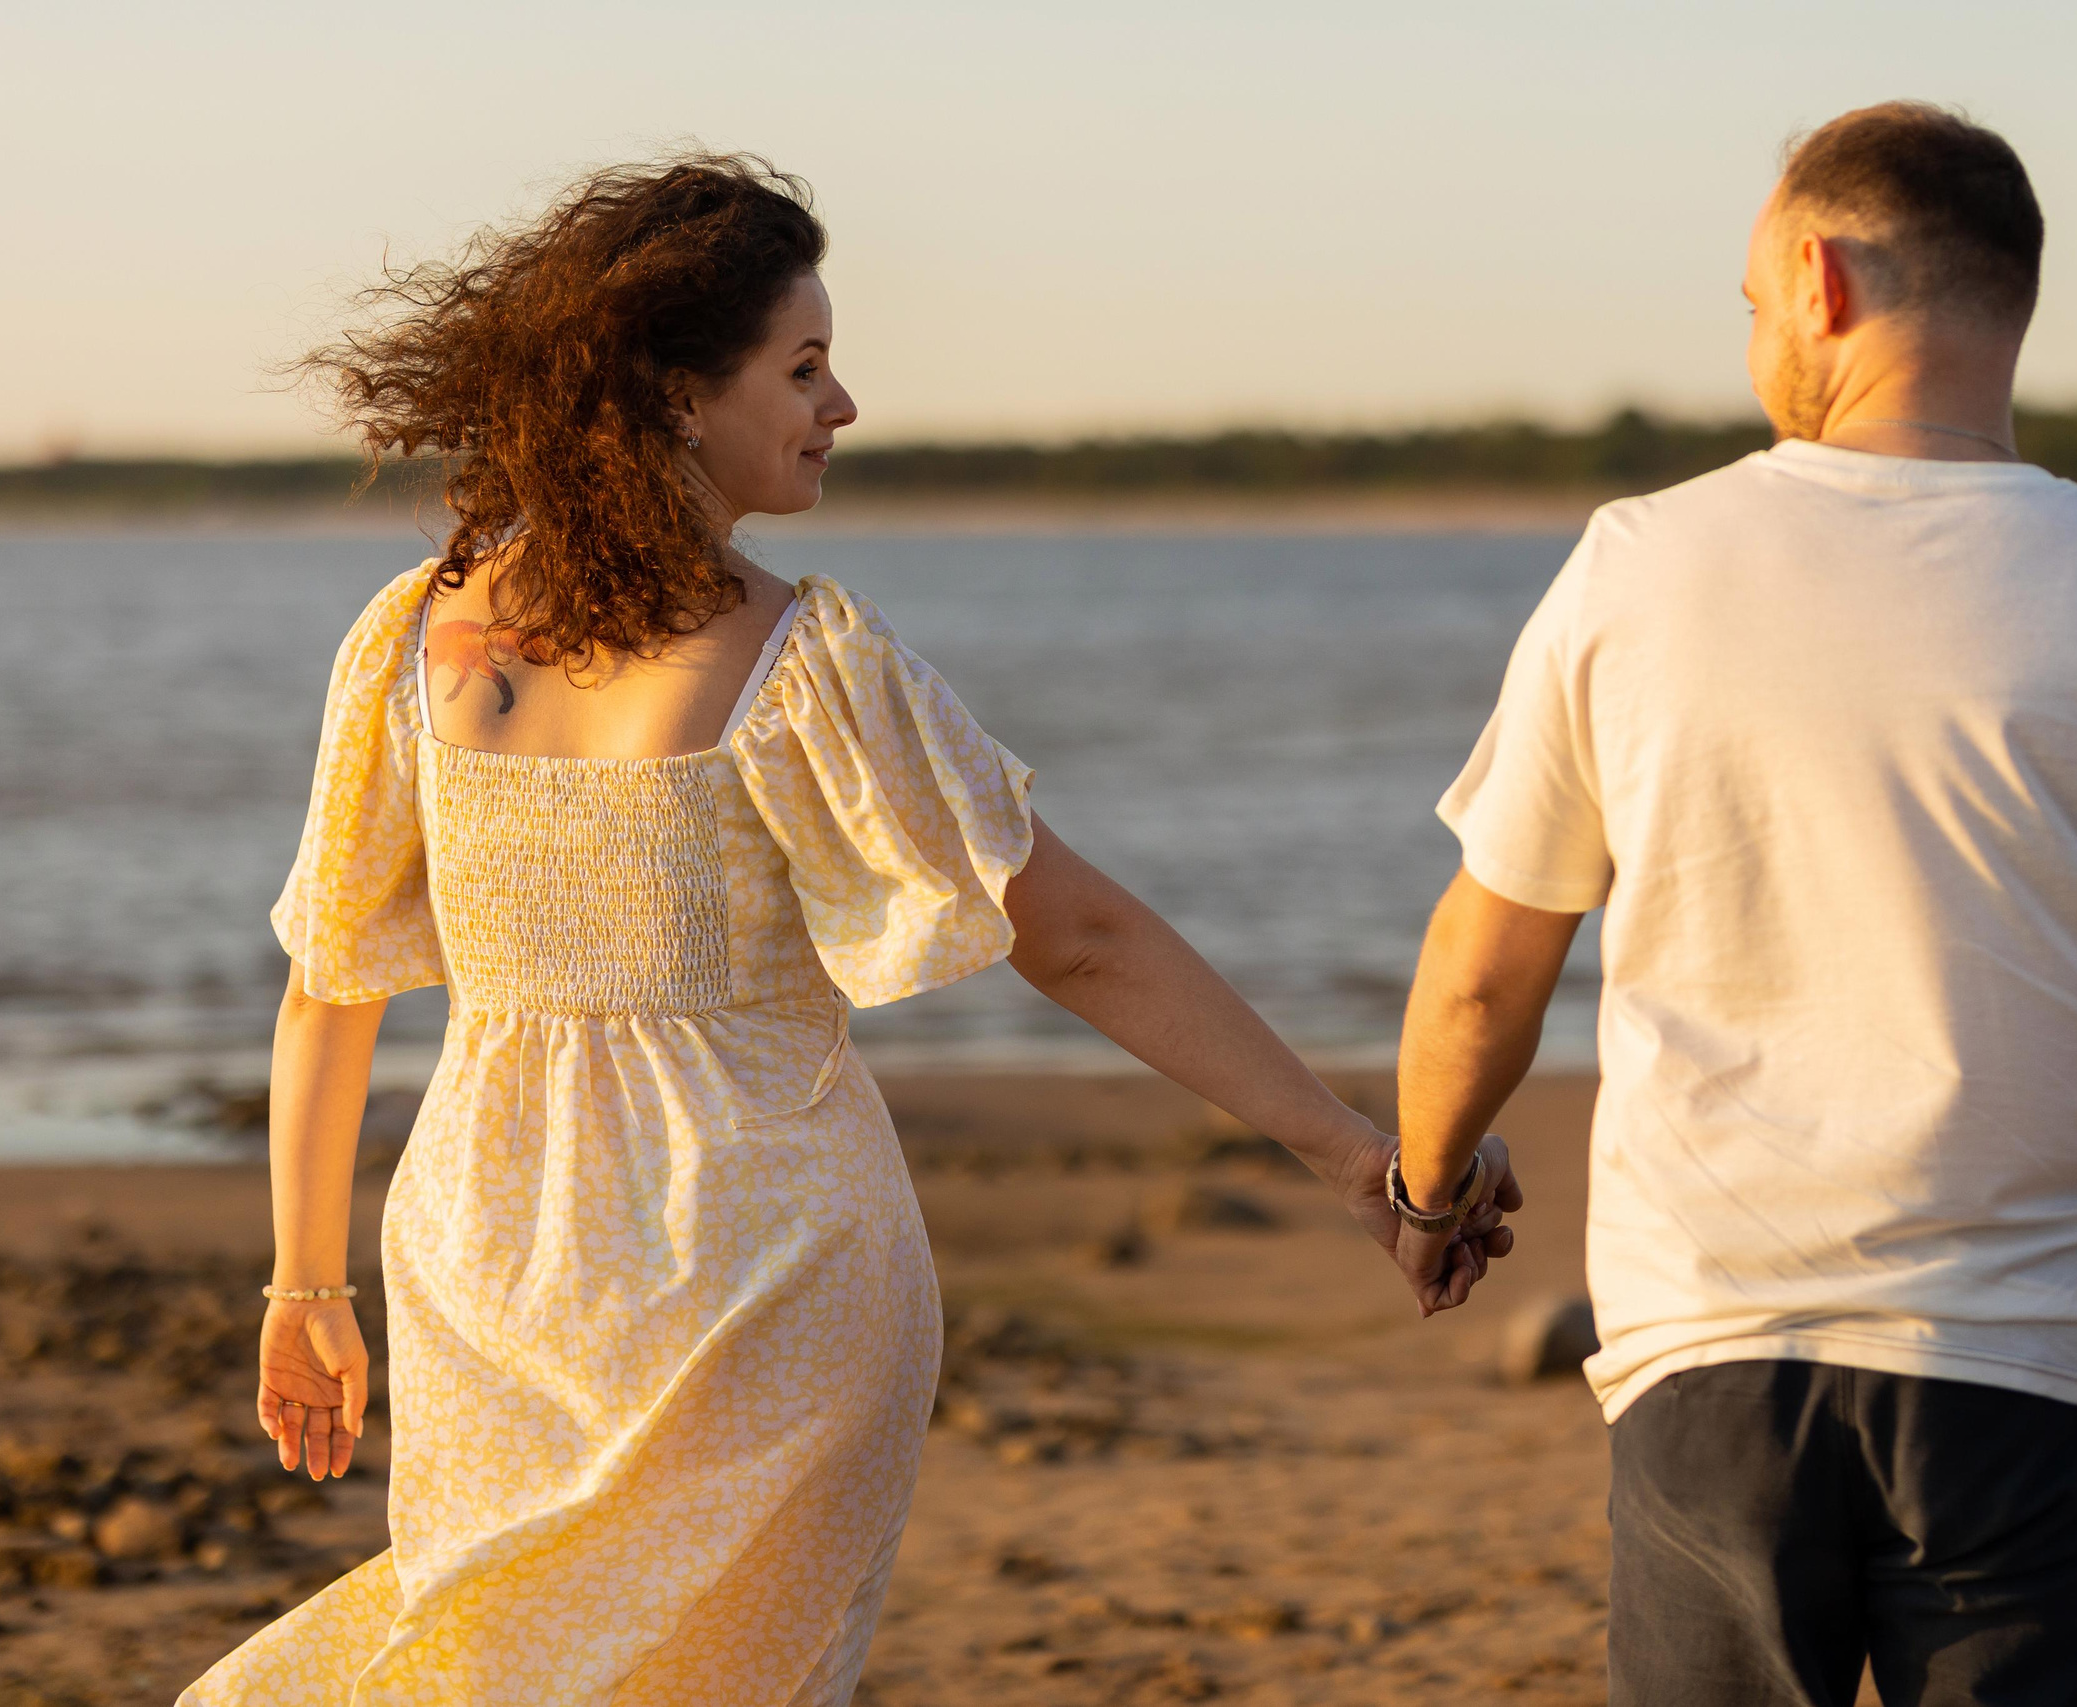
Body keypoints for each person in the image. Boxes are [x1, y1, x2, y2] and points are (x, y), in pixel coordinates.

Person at [180, 155, 1513, 1706]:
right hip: (759, 1265)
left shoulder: (417, 636)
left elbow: (324, 993)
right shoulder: (802, 658)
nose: (845, 404)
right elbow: (1072, 935)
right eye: (803, 367)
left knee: (485, 1663)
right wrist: (1351, 1152)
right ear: (682, 395)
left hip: (496, 1253)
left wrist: (304, 1283)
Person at [1391, 103, 2077, 1707]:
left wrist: (1428, 1188)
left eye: (1748, 302)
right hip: (2049, 1379)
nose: (1753, 336)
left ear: (1820, 277)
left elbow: (1478, 980)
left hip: (1717, 1359)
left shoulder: (1639, 568)